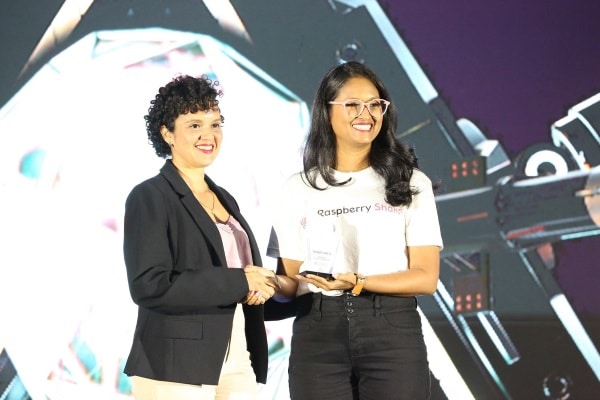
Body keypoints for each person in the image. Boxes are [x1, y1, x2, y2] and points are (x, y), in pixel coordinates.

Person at [266, 61, 444, 399]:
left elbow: (425, 278)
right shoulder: (297, 188)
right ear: (326, 111)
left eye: (375, 104)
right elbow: (291, 282)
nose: (367, 114)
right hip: (317, 332)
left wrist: (357, 282)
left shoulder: (410, 182)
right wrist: (260, 283)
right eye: (352, 104)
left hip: (391, 331)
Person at [122, 74, 277, 400]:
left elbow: (238, 273)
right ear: (167, 133)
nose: (209, 135)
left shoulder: (225, 198)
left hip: (237, 352)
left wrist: (260, 287)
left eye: (215, 124)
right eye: (194, 125)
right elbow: (149, 285)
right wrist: (240, 281)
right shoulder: (150, 196)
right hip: (175, 361)